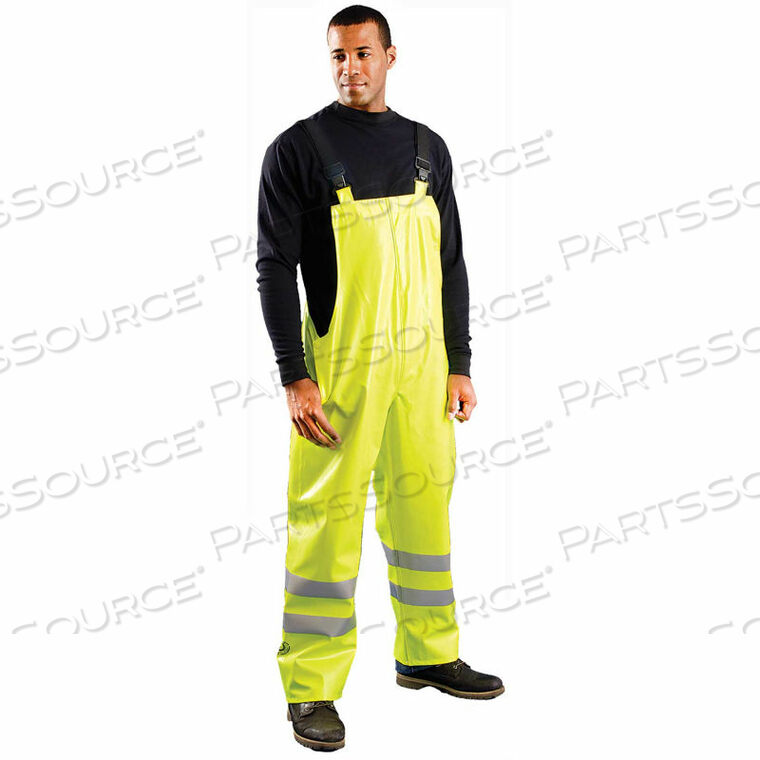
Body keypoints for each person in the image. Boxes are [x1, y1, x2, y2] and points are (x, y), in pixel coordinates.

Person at [256, 4, 504, 752]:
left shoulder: (428, 148)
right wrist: (294, 375)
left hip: (424, 368)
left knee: (424, 509)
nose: (350, 68)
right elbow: (274, 267)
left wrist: (459, 362)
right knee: (326, 523)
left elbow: (450, 262)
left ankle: (427, 653)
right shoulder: (297, 150)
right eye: (338, 55)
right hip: (340, 370)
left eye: (363, 53)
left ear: (391, 56)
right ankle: (311, 686)